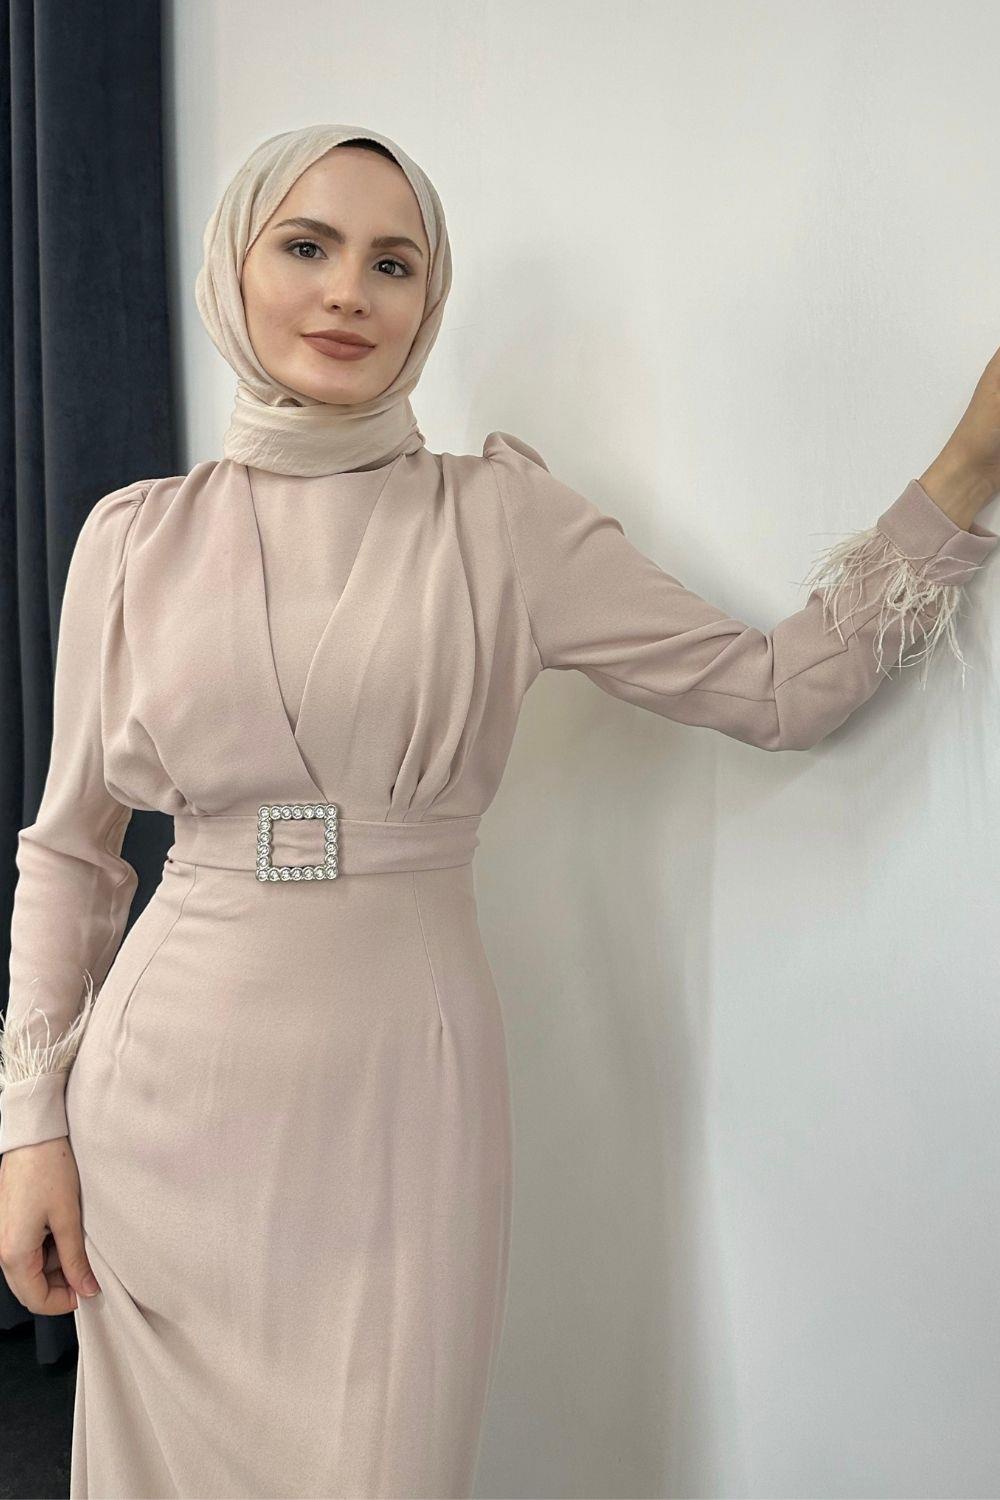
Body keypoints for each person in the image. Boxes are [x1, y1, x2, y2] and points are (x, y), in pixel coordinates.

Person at [0, 121, 996, 1500]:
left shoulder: (499, 523)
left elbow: (779, 690)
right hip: (161, 1113)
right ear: (233, 266)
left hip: (400, 1106)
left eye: (392, 262)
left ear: (429, 299)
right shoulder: (130, 538)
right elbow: (70, 854)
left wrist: (971, 463)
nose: (348, 292)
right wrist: (30, 1127)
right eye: (307, 246)